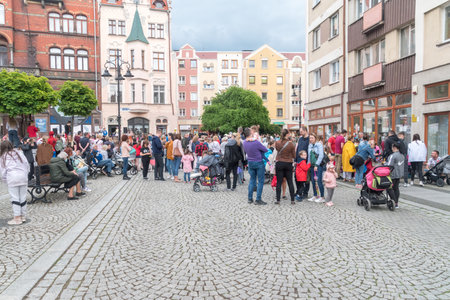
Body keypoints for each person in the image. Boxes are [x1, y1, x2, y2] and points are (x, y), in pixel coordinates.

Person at [0, 141, 30, 225]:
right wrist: (26, 174)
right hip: (23, 177)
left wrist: (5, 180)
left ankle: (17, 218)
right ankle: (23, 216)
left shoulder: (3, 157)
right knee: (23, 197)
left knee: (15, 198)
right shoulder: (19, 153)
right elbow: (26, 165)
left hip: (12, 177)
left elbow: (3, 171)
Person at [243, 127, 267, 205]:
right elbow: (265, 149)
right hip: (258, 162)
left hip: (250, 162)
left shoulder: (244, 142)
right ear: (250, 133)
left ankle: (250, 198)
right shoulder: (256, 142)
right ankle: (258, 199)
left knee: (252, 180)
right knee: (260, 181)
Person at [274, 129, 296, 205]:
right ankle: (292, 200)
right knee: (290, 181)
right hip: (288, 163)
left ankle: (278, 200)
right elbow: (294, 155)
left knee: (279, 182)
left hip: (279, 163)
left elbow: (277, 150)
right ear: (287, 134)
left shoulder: (277, 142)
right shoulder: (291, 144)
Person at [307, 133, 325, 202]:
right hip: (312, 165)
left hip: (318, 166)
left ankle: (322, 196)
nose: (311, 139)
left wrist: (317, 165)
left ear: (315, 138)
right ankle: (315, 195)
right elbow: (309, 156)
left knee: (319, 181)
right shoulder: (310, 146)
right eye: (310, 138)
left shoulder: (319, 145)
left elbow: (321, 155)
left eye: (312, 138)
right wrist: (308, 164)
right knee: (313, 181)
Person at [386, 142, 404, 209]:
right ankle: (396, 203)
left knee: (389, 188)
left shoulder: (393, 156)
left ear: (394, 148)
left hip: (392, 174)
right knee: (396, 188)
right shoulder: (402, 155)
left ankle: (393, 201)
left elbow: (389, 165)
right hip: (399, 174)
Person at [295, 126, 310, 199]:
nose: (300, 133)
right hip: (298, 161)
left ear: (305, 131)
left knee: (306, 179)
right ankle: (298, 191)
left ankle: (305, 192)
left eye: (301, 132)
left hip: (305, 161)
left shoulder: (309, 139)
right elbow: (297, 149)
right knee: (297, 177)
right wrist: (295, 160)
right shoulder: (300, 139)